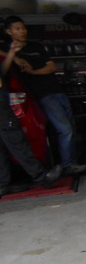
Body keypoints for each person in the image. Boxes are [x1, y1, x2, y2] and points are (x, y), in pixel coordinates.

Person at [0, 16, 86, 176]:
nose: (23, 31)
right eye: (18, 28)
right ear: (9, 31)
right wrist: (15, 56)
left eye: (23, 28)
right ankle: (68, 164)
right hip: (41, 95)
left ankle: (71, 163)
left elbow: (52, 67)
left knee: (70, 128)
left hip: (57, 90)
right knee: (65, 129)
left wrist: (33, 71)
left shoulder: (36, 46)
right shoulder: (7, 48)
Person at [0, 50, 62, 198]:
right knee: (18, 143)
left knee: (1, 148)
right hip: (2, 111)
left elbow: (2, 70)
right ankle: (42, 177)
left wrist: (12, 53)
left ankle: (2, 184)